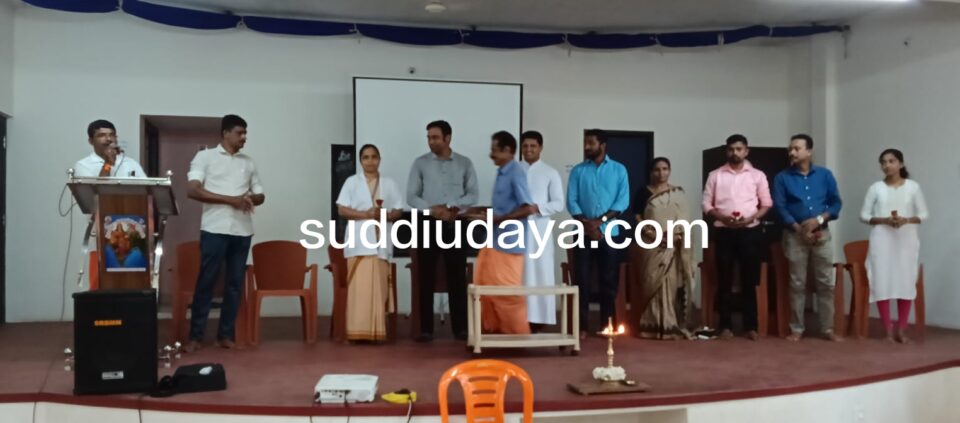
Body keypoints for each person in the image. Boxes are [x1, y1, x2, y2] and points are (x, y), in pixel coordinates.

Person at [185, 115, 265, 352]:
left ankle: (225, 335)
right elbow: (193, 190)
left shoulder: (248, 162)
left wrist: (251, 199)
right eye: (240, 133)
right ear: (225, 133)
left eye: (245, 133)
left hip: (242, 230)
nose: (244, 138)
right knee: (206, 282)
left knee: (234, 285)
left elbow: (261, 194)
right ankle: (195, 337)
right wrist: (231, 200)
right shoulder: (205, 157)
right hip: (214, 229)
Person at [407, 120, 479, 342]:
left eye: (435, 137)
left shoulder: (464, 163)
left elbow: (473, 195)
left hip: (455, 222)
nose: (431, 141)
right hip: (427, 224)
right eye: (429, 137)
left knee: (457, 275)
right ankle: (425, 329)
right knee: (425, 275)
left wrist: (451, 207)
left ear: (448, 138)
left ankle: (460, 328)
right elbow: (411, 196)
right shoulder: (420, 163)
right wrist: (433, 210)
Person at [772, 133, 843, 342]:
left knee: (825, 282)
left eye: (797, 148)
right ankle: (797, 328)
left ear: (809, 151)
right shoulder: (782, 178)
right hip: (795, 235)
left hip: (822, 234)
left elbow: (836, 204)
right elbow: (780, 207)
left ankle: (827, 328)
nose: (792, 152)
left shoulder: (825, 175)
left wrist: (818, 220)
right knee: (797, 283)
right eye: (790, 149)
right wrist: (799, 228)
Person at [464, 131, 535, 334]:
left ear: (508, 150)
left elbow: (528, 208)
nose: (491, 155)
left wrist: (496, 220)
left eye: (494, 150)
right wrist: (477, 210)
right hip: (494, 241)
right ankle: (494, 334)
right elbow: (502, 208)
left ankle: (517, 336)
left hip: (509, 244)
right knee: (483, 285)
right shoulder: (502, 171)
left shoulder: (516, 172)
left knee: (506, 293)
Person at [702, 134, 771, 341]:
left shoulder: (757, 175)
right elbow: (706, 204)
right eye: (731, 149)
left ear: (746, 151)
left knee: (750, 280)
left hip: (750, 231)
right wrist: (722, 217)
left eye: (739, 149)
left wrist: (751, 218)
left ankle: (751, 326)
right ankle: (725, 325)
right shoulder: (715, 175)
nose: (735, 153)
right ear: (726, 151)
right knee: (724, 279)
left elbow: (766, 203)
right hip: (724, 231)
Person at [335, 144, 404, 342]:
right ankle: (357, 332)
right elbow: (342, 210)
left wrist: (386, 215)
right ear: (360, 161)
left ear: (379, 159)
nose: (370, 161)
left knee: (378, 288)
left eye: (374, 157)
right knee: (360, 290)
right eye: (366, 157)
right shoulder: (351, 182)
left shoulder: (389, 184)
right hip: (358, 242)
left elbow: (398, 210)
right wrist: (365, 214)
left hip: (380, 242)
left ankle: (376, 332)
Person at [859, 149, 928, 344]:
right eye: (883, 162)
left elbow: (923, 214)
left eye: (891, 161)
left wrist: (906, 220)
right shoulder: (876, 188)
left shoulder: (913, 187)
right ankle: (888, 329)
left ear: (901, 164)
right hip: (882, 239)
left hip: (906, 239)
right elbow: (864, 215)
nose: (887, 165)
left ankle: (902, 329)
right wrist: (884, 220)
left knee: (905, 282)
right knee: (882, 281)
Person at [567, 129, 630, 338]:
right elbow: (571, 201)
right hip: (583, 233)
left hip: (609, 233)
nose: (587, 147)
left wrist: (599, 222)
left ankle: (606, 325)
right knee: (582, 280)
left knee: (608, 281)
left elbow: (622, 201)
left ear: (602, 145)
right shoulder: (578, 171)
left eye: (591, 143)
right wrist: (588, 225)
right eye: (585, 143)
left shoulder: (619, 170)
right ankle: (582, 327)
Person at [633, 158, 694, 340]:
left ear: (670, 170)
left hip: (673, 245)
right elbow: (637, 218)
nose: (661, 173)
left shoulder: (678, 194)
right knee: (652, 281)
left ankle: (670, 324)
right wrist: (655, 236)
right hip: (651, 245)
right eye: (657, 169)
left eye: (665, 169)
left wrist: (676, 237)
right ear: (651, 172)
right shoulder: (643, 193)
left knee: (672, 283)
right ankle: (650, 325)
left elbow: (685, 221)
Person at [519, 131, 565, 332]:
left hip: (540, 230)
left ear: (540, 148)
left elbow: (559, 203)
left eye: (533, 146)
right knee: (519, 272)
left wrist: (536, 208)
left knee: (540, 271)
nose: (529, 150)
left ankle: (539, 319)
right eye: (525, 146)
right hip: (516, 230)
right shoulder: (513, 171)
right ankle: (518, 317)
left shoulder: (549, 172)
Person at [73, 119, 146, 177]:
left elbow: (146, 189)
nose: (109, 139)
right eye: (102, 135)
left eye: (112, 135)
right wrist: (108, 163)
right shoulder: (83, 165)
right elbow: (100, 189)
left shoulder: (131, 163)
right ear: (91, 141)